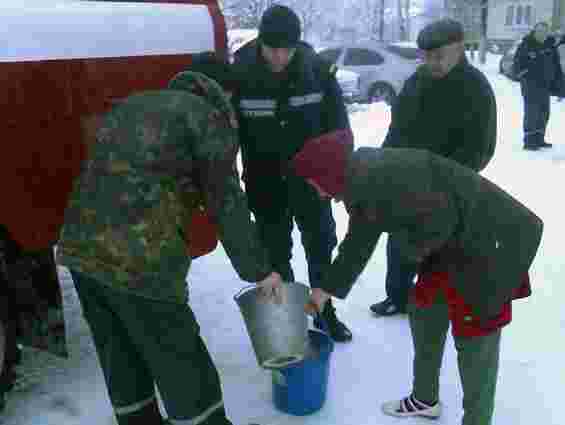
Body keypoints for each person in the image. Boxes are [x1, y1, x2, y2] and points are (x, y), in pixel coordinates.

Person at [56, 53, 283, 425]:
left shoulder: (134, 104)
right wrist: (260, 271)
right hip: (139, 261)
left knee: (121, 355)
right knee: (180, 359)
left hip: (80, 248)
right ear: (222, 93)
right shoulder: (206, 118)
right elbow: (227, 204)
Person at [292, 134, 543, 425]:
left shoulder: (386, 178)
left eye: (315, 184)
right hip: (449, 244)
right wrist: (325, 290)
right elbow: (358, 240)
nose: (318, 193)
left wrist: (408, 249)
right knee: (424, 312)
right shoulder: (363, 180)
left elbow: (440, 220)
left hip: (487, 245)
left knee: (475, 341)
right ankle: (425, 399)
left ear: (329, 173)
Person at [232, 5, 354, 342]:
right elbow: (229, 134)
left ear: (297, 45)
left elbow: (340, 131)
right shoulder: (240, 73)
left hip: (312, 183)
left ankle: (324, 312)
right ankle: (287, 319)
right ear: (260, 43)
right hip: (265, 183)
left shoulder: (317, 71)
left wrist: (335, 177)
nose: (279, 57)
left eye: (286, 50)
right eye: (272, 49)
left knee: (320, 246)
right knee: (275, 253)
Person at [369, 18, 497, 317]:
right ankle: (398, 296)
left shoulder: (475, 88)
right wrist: (385, 163)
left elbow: (481, 148)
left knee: (440, 250)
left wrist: (446, 182)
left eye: (439, 56)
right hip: (408, 179)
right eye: (426, 56)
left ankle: (438, 304)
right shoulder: (417, 81)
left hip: (449, 185)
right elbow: (397, 128)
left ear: (459, 49)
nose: (431, 63)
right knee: (400, 240)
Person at [514, 21, 565, 150]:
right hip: (530, 85)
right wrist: (525, 76)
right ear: (535, 32)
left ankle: (539, 139)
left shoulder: (550, 46)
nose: (542, 34)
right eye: (540, 31)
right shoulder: (526, 45)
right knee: (532, 112)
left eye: (545, 32)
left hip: (545, 85)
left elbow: (556, 66)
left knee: (544, 112)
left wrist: (559, 83)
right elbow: (518, 64)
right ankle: (529, 141)